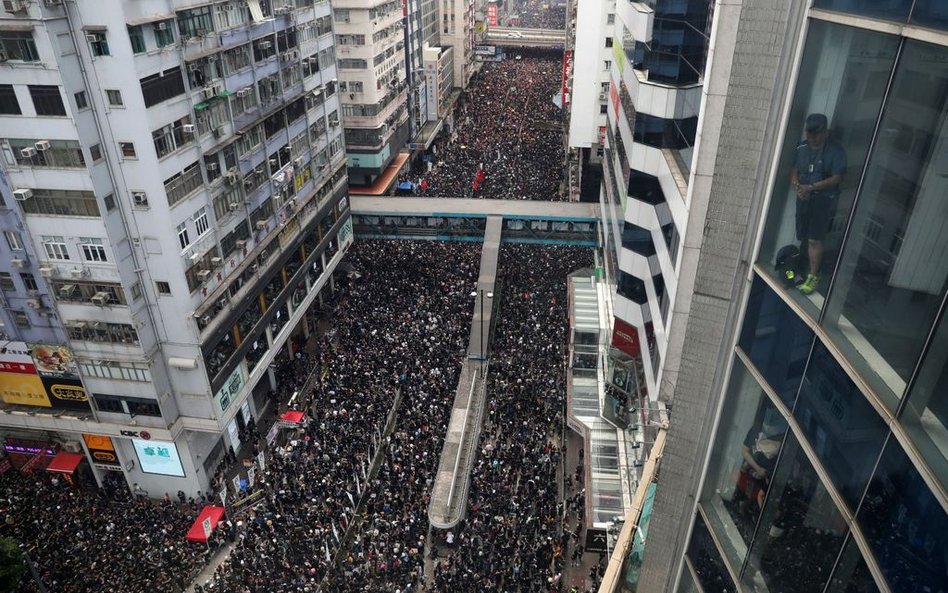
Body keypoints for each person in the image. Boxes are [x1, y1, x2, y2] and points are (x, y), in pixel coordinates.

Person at [790, 113, 846, 295]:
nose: (812, 137)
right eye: (810, 133)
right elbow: (794, 172)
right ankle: (803, 266)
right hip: (804, 198)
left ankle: (814, 276)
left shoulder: (835, 151)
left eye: (817, 133)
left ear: (825, 132)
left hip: (823, 200)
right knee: (803, 235)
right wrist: (798, 188)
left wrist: (812, 187)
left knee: (815, 238)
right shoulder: (801, 148)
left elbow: (837, 178)